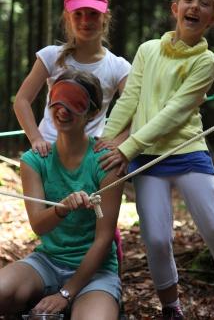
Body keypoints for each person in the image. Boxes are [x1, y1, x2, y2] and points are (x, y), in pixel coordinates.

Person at [95, 0, 214, 320]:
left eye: (205, 3)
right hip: (148, 159)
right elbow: (129, 99)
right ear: (175, 9)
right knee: (158, 240)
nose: (195, 6)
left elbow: (175, 112)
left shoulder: (206, 61)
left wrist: (127, 147)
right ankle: (171, 308)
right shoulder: (148, 49)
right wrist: (106, 138)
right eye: (189, 0)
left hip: (188, 152)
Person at [13, 0, 130, 281]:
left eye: (93, 14)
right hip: (51, 151)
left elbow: (138, 112)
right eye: (78, 14)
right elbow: (22, 100)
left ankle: (103, 263)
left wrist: (120, 144)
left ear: (105, 17)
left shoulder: (117, 66)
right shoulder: (52, 55)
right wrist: (36, 137)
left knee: (93, 216)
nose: (85, 21)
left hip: (91, 156)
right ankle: (47, 271)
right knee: (54, 215)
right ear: (67, 17)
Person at [0, 69, 124, 319]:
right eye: (58, 100)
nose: (63, 110)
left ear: (92, 111)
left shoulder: (106, 162)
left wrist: (66, 293)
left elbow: (103, 239)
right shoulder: (34, 161)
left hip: (96, 272)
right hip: (46, 263)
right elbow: (38, 225)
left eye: (74, 102)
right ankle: (37, 304)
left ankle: (71, 304)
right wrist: (61, 208)